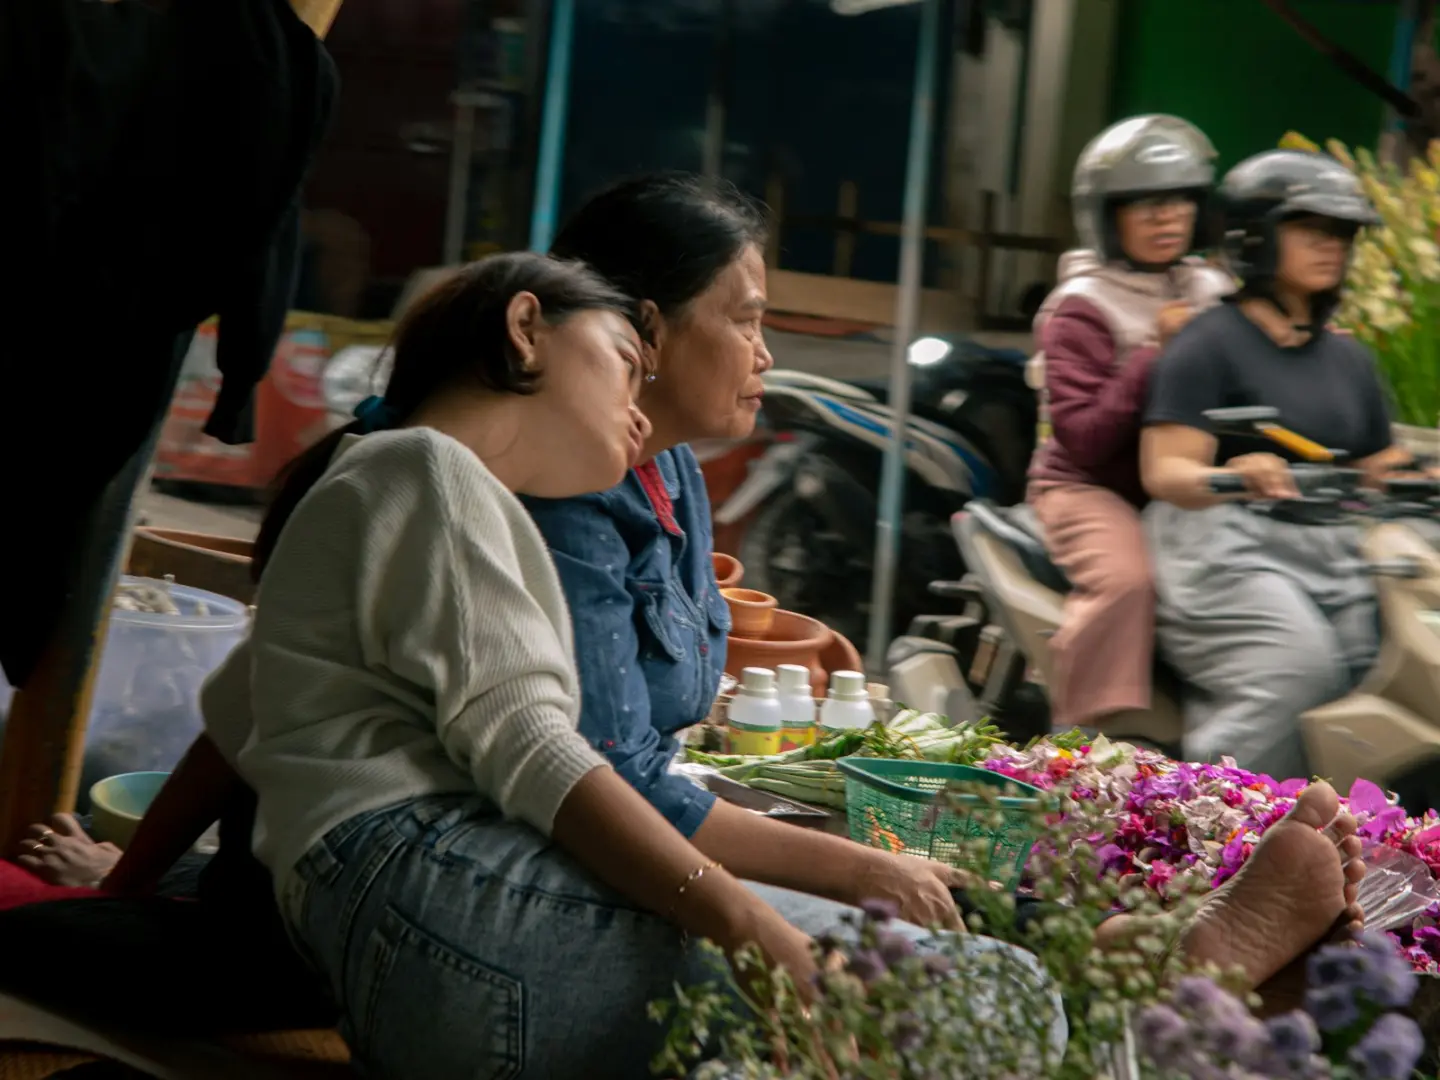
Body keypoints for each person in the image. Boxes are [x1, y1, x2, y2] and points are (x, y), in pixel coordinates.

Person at [1140, 148, 1414, 778]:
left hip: (1331, 544)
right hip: (1224, 547)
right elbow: (1167, 472)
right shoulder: (1208, 343)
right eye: (1313, 230)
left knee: (1379, 668)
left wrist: (1413, 474)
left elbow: (1381, 459)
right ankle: (1212, 834)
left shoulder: (1348, 358)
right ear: (1253, 238)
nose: (1333, 247)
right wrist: (1238, 474)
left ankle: (1340, 848)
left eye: (1343, 234)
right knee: (1295, 668)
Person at [1025, 115, 1235, 730]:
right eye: (1145, 205)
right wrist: (1153, 353)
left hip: (1193, 484)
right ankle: (1086, 750)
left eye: (1179, 202)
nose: (1166, 218)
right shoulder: (1081, 306)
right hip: (1091, 488)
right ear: (1107, 215)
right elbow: (1084, 438)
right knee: (1126, 582)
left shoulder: (1212, 286)